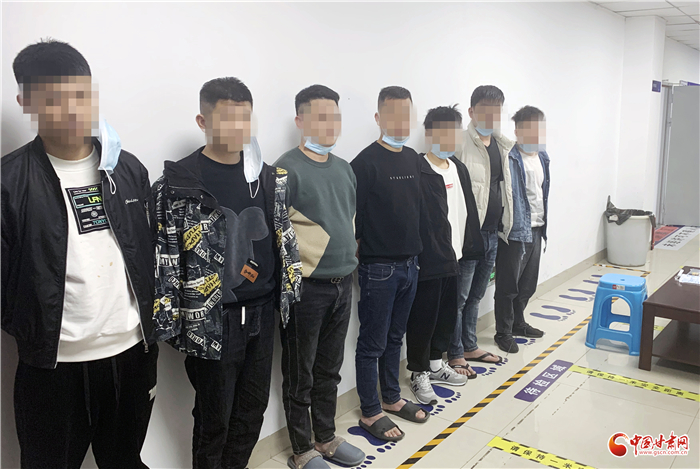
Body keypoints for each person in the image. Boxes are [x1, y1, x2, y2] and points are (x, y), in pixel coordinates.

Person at [2, 39, 158, 469]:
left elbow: (144, 253)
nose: (73, 110)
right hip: (54, 366)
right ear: (26, 102)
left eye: (81, 95)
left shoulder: (127, 169)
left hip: (132, 353)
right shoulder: (8, 183)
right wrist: (31, 329)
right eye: (54, 99)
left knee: (125, 460)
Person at [151, 77, 302, 469]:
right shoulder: (179, 183)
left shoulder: (268, 177)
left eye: (245, 119)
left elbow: (283, 237)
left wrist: (289, 293)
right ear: (203, 121)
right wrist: (169, 323)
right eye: (227, 120)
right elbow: (165, 256)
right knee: (214, 417)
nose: (238, 129)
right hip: (213, 320)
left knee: (251, 411)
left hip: (262, 313)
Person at [275, 85, 365, 469]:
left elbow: (350, 221)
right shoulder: (285, 169)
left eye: (335, 117)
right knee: (301, 374)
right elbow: (277, 233)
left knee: (329, 369)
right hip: (306, 290)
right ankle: (302, 449)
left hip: (343, 284)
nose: (331, 125)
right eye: (321, 117)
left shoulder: (344, 169)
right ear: (300, 120)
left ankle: (326, 438)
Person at [350, 86, 427, 443]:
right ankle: (370, 411)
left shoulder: (412, 158)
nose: (400, 122)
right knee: (372, 343)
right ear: (378, 118)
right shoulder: (364, 163)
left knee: (396, 338)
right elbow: (354, 221)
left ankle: (392, 398)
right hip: (379, 269)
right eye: (392, 115)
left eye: (406, 115)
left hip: (411, 265)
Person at [406, 105, 484, 405]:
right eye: (442, 132)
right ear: (429, 134)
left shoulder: (457, 168)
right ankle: (418, 371)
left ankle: (436, 365)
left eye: (454, 132)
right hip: (429, 260)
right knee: (423, 319)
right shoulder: (419, 168)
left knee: (446, 316)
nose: (449, 139)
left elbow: (466, 211)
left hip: (456, 256)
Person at [448, 85, 516, 366]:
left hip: (493, 233)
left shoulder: (502, 145)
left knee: (477, 295)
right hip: (468, 236)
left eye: (496, 111)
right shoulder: (459, 143)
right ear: (471, 112)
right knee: (459, 298)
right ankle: (454, 353)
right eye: (485, 111)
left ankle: (470, 346)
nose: (491, 117)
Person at [494, 106, 550, 346]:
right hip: (516, 230)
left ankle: (519, 322)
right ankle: (503, 332)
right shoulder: (509, 157)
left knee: (527, 284)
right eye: (528, 129)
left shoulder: (543, 156)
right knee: (508, 286)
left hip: (537, 228)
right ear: (517, 131)